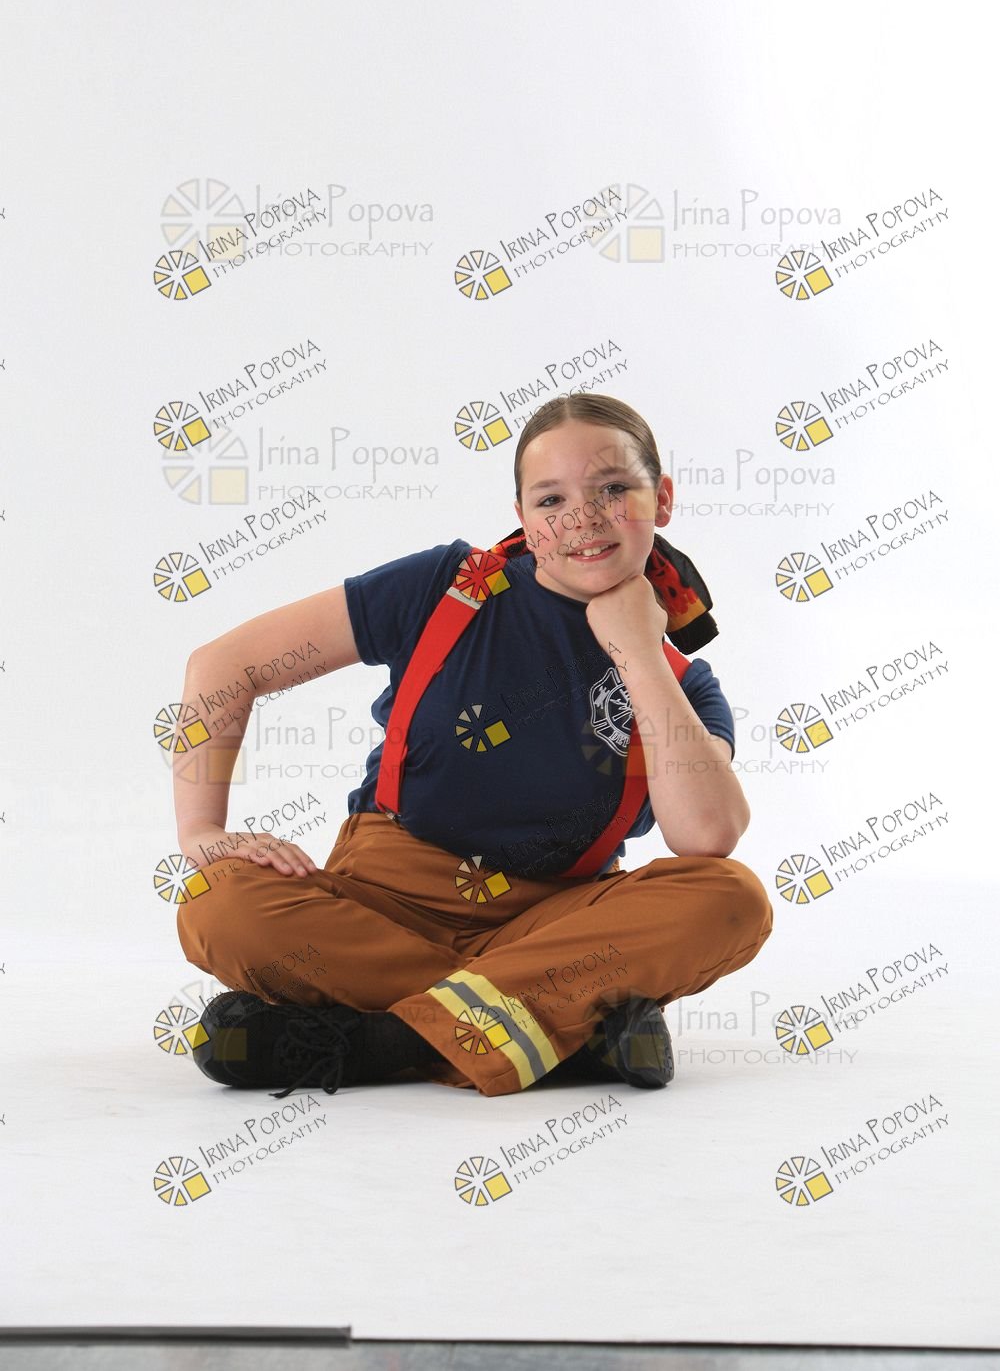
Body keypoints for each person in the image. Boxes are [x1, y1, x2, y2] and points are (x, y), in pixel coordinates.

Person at [174, 393, 773, 1100]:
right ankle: (556, 1024)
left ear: (661, 499)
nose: (582, 519)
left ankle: (373, 1043)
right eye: (551, 499)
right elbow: (225, 666)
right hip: (379, 907)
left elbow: (707, 836)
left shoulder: (683, 685)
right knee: (219, 902)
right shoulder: (448, 587)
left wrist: (639, 653)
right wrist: (201, 831)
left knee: (731, 900)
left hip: (551, 925)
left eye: (613, 489)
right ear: (522, 514)